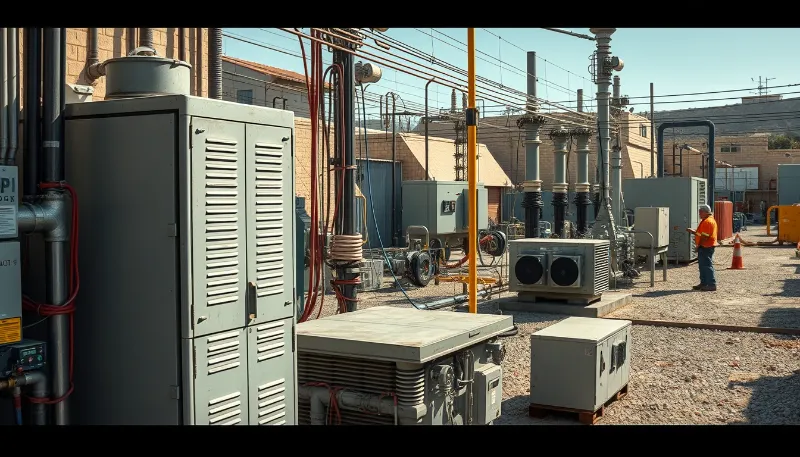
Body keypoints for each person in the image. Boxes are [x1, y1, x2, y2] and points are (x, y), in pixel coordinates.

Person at [685, 204, 718, 291]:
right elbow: (702, 234)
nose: (699, 214)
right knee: (703, 266)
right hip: (706, 246)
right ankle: (704, 283)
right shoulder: (707, 220)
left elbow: (704, 237)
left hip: (706, 246)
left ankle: (711, 284)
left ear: (705, 212)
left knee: (706, 265)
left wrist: (698, 246)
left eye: (700, 212)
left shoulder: (708, 222)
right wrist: (694, 232)